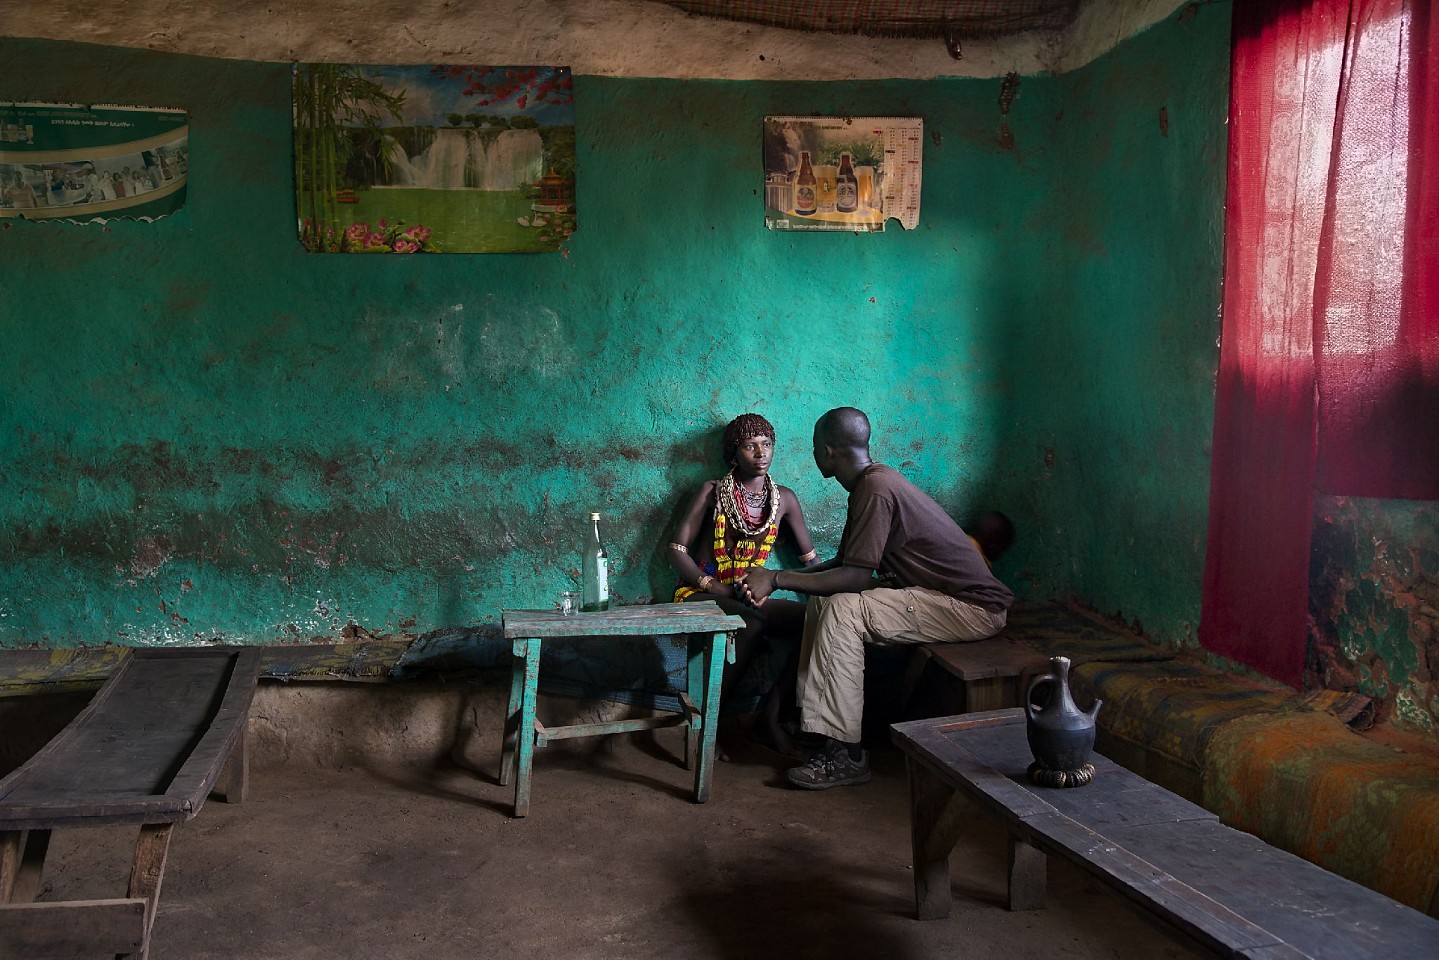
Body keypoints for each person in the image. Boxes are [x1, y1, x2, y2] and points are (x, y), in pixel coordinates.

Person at [740, 407, 1013, 789]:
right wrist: (776, 578)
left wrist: (778, 578)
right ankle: (817, 727)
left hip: (974, 609)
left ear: (830, 451)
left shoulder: (875, 488)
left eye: (816, 447)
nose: (815, 455)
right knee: (825, 600)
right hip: (935, 597)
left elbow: (852, 579)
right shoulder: (869, 484)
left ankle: (846, 753)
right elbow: (846, 563)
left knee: (843, 609)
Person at [668, 413, 820, 756]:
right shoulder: (711, 492)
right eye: (750, 446)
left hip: (750, 595)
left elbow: (811, 563)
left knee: (814, 622)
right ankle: (711, 724)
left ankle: (771, 718)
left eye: (766, 445)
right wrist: (715, 587)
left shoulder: (785, 500)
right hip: (700, 592)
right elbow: (676, 551)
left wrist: (846, 585)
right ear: (733, 454)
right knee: (749, 622)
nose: (760, 453)